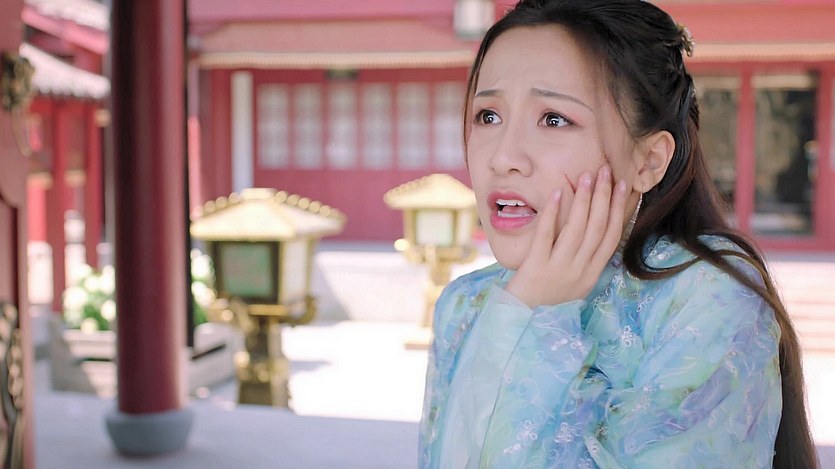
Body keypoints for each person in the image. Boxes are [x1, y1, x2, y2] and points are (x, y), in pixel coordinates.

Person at [418, 0, 819, 467]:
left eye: (554, 118)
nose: (502, 157)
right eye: (488, 115)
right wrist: (522, 306)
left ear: (648, 160)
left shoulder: (705, 296)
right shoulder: (467, 304)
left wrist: (535, 316)